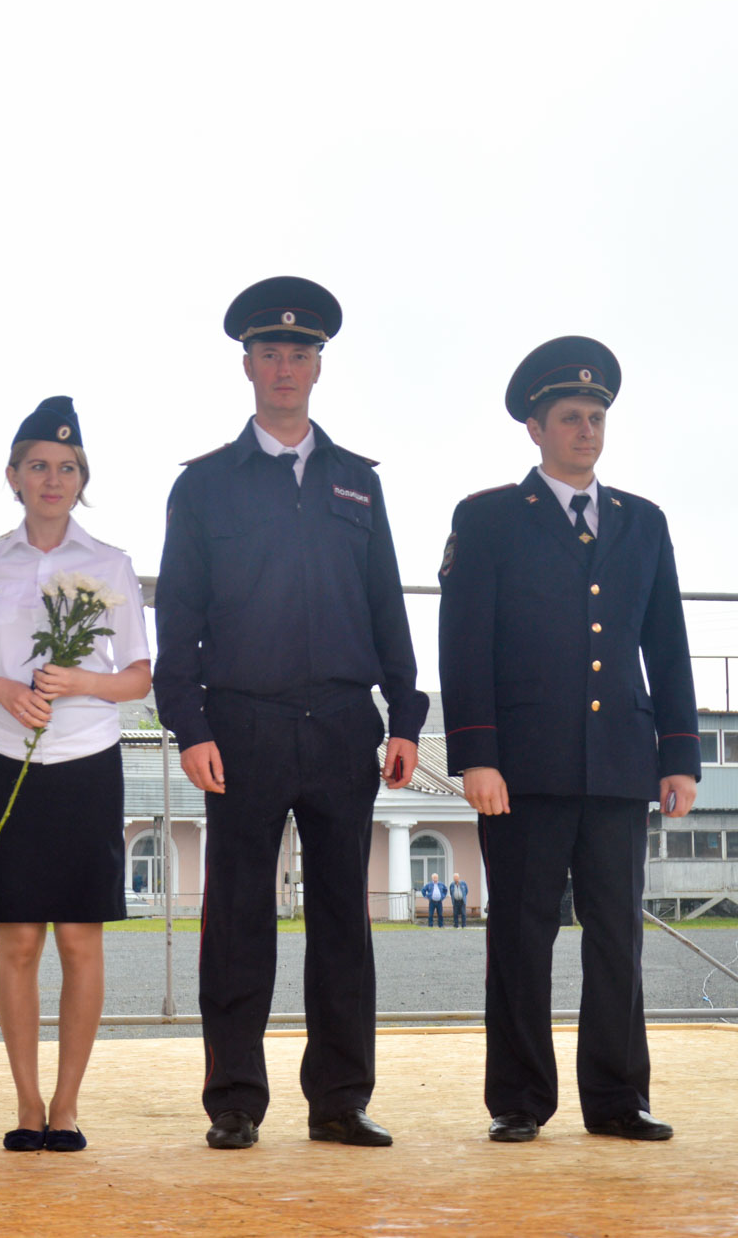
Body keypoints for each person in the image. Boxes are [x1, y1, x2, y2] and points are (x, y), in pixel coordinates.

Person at [155, 276, 427, 1152]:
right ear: (246, 365)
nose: (285, 365)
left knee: (344, 920)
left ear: (318, 367)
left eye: (300, 352)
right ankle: (234, 1097)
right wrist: (190, 726)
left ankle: (340, 1098)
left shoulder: (357, 484)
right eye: (269, 351)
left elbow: (387, 604)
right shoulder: (203, 488)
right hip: (241, 727)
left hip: (346, 723)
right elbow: (181, 619)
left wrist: (406, 715)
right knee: (238, 918)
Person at [437, 335, 699, 1145]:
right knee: (521, 935)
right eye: (570, 417)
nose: (587, 430)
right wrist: (476, 753)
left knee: (617, 938)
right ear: (535, 429)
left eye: (596, 416)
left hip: (620, 762)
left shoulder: (642, 522)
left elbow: (668, 642)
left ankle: (619, 1097)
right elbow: (463, 641)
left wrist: (679, 755)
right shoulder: (487, 519)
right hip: (522, 767)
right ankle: (519, 1097)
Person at [0, 396, 152, 1153]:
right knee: (19, 937)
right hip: (6, 758)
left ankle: (68, 1105)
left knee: (81, 940)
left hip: (87, 761)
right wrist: (1, 688)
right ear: (13, 477)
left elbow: (137, 677)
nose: (52, 478)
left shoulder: (111, 564)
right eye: (38, 466)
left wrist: (80, 683)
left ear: (82, 478)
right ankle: (26, 1104)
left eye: (66, 467)